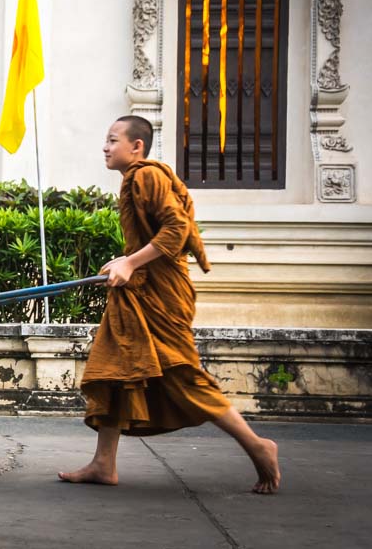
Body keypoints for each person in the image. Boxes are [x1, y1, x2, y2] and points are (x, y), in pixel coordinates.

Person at [58, 116, 281, 494]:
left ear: (136, 147)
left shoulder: (148, 176)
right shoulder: (135, 179)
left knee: (181, 374)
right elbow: (156, 237)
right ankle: (103, 463)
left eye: (113, 140)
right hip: (138, 296)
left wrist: (131, 262)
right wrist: (126, 259)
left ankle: (257, 444)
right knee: (115, 371)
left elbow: (176, 230)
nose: (105, 147)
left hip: (160, 297)